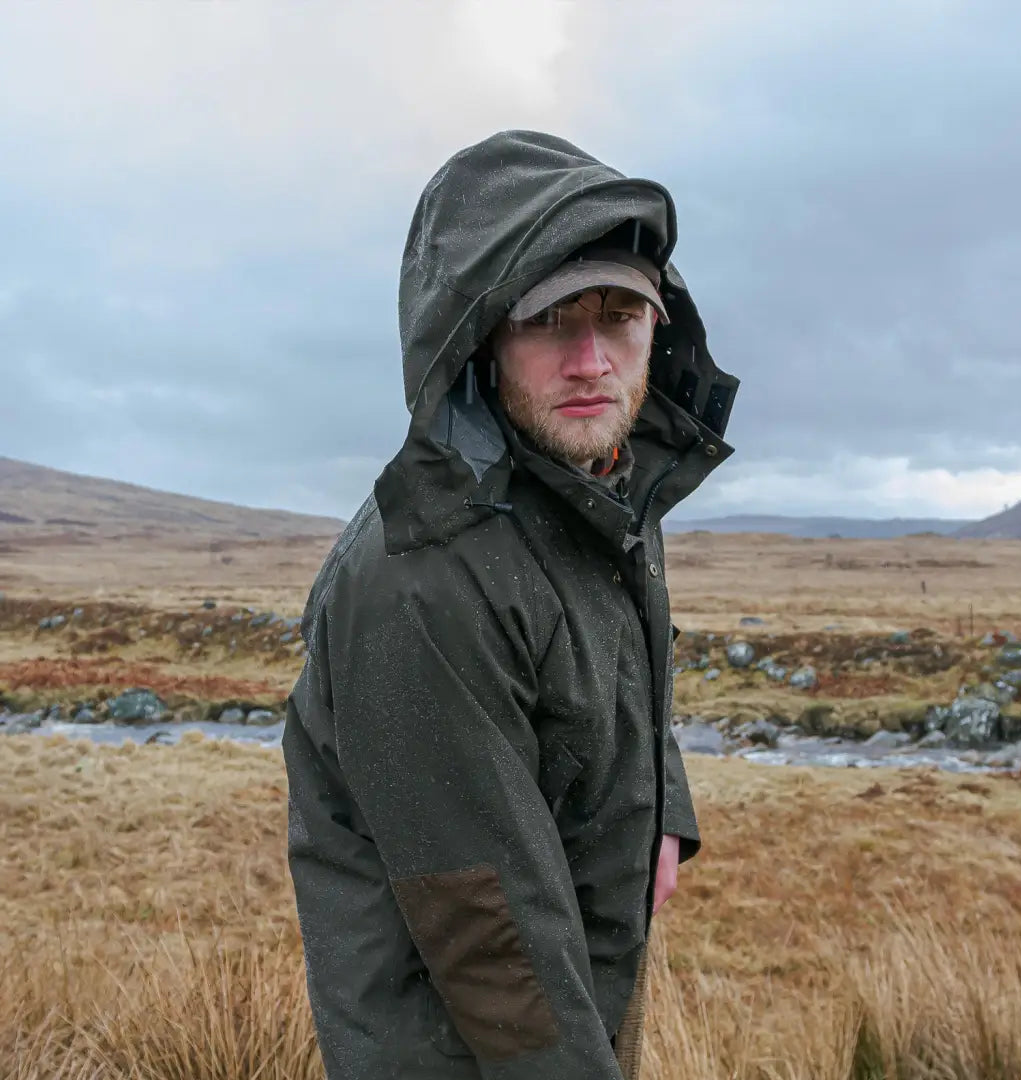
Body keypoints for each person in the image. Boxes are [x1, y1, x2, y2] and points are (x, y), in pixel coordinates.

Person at [283, 129, 739, 1080]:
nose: (592, 360)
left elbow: (617, 659)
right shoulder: (423, 580)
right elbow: (491, 938)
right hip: (467, 1046)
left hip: (580, 977)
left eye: (620, 316)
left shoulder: (596, 482)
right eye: (551, 320)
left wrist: (664, 803)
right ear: (481, 335)